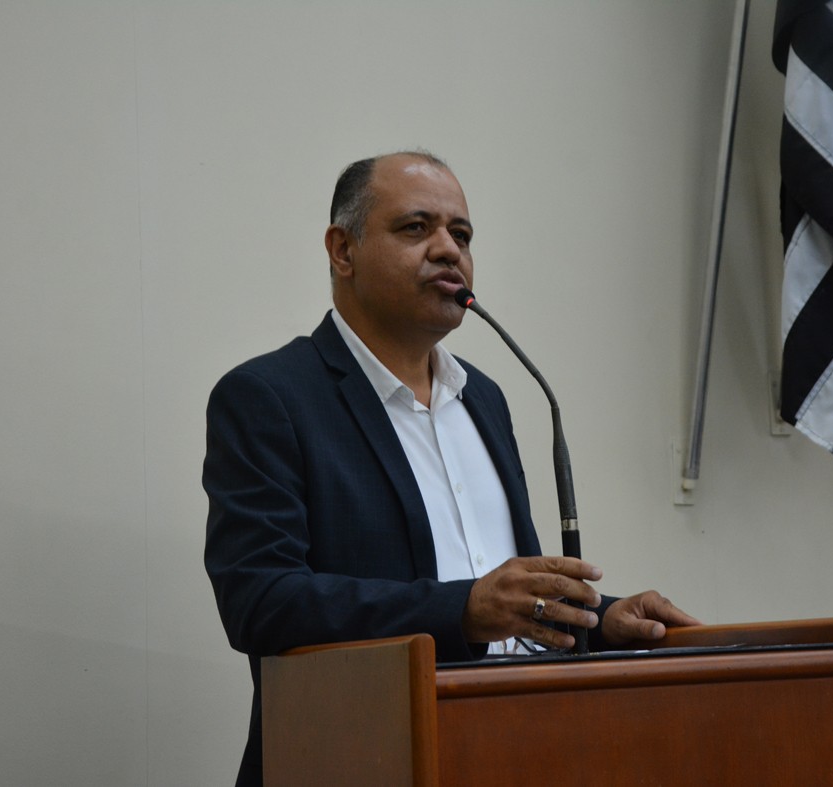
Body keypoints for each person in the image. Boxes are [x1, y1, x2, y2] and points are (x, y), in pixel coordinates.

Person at [203, 150, 699, 785]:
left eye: (461, 235)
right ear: (343, 250)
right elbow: (262, 601)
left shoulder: (484, 398)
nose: (448, 250)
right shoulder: (271, 397)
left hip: (515, 752)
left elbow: (505, 599)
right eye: (416, 228)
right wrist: (461, 609)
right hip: (358, 759)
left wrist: (601, 617)